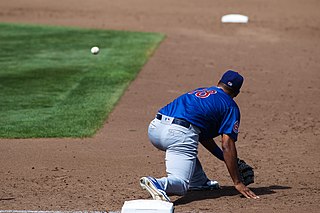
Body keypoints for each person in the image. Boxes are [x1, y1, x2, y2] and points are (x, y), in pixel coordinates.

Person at [139, 70, 259, 202]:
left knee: (188, 143)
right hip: (177, 135)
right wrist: (237, 182)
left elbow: (203, 137)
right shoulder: (230, 106)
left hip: (155, 128)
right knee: (181, 184)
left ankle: (199, 182)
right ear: (236, 93)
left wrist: (225, 159)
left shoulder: (199, 92)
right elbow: (227, 145)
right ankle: (158, 183)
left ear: (219, 83)